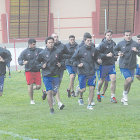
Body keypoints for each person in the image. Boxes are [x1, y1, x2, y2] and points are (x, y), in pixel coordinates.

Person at [71, 33, 101, 110]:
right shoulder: (80, 50)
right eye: (88, 40)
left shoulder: (94, 49)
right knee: (83, 89)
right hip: (82, 72)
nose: (89, 42)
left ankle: (89, 104)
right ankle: (78, 89)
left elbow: (97, 58)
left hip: (91, 72)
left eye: (90, 40)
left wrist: (98, 61)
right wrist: (78, 64)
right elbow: (73, 59)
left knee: (92, 88)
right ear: (84, 41)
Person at [37, 37, 65, 114]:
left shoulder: (58, 52)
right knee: (50, 92)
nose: (51, 44)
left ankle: (45, 92)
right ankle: (51, 109)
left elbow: (63, 60)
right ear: (46, 44)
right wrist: (42, 65)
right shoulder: (42, 53)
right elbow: (37, 63)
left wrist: (61, 64)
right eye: (49, 42)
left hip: (56, 75)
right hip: (46, 75)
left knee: (54, 93)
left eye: (52, 42)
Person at [114, 30, 140, 105]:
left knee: (130, 82)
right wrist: (118, 53)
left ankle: (124, 97)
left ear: (131, 35)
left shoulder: (135, 44)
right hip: (123, 65)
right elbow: (115, 50)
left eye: (129, 35)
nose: (128, 37)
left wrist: (137, 51)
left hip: (132, 66)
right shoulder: (120, 43)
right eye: (126, 35)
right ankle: (124, 94)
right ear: (124, 36)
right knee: (128, 80)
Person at [18, 39, 42, 104]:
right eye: (33, 44)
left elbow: (45, 54)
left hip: (37, 70)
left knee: (39, 87)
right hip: (29, 71)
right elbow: (19, 59)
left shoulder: (39, 50)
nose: (35, 45)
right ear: (30, 44)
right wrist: (22, 63)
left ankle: (31, 89)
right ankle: (32, 100)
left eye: (35, 44)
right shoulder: (25, 52)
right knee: (30, 85)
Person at [97, 29, 117, 103]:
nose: (109, 36)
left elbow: (115, 52)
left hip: (111, 65)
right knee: (101, 80)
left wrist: (116, 56)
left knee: (113, 79)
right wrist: (106, 55)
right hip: (103, 65)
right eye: (108, 35)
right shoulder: (102, 44)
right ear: (105, 36)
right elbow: (98, 53)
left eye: (110, 35)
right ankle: (98, 93)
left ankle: (112, 96)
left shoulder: (113, 43)